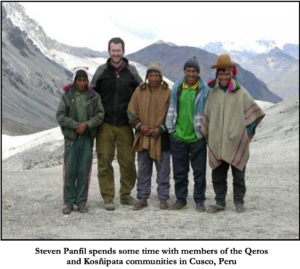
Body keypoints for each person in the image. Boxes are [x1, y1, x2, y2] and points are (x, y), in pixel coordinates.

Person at [201, 54, 265, 213]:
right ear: (217, 75)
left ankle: (239, 201)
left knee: (239, 175)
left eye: (226, 73)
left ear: (232, 73)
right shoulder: (213, 93)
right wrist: (211, 133)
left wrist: (244, 131)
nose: (223, 76)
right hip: (217, 140)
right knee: (218, 176)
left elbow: (254, 114)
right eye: (220, 74)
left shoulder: (241, 92)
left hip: (237, 141)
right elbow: (208, 117)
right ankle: (220, 202)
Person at [91, 38, 143, 211]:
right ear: (108, 51)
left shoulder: (132, 71)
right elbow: (91, 94)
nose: (115, 53)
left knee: (128, 161)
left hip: (125, 124)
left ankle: (126, 195)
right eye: (113, 50)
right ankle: (108, 197)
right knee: (104, 160)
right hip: (105, 124)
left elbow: (141, 93)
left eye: (118, 50)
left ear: (123, 51)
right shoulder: (101, 71)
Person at [57, 67, 104, 214]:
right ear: (75, 81)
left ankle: (81, 202)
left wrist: (87, 125)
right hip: (72, 138)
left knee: (84, 170)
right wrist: (75, 125)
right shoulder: (67, 96)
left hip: (87, 138)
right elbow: (60, 115)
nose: (82, 83)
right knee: (70, 170)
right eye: (79, 80)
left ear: (87, 81)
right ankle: (69, 202)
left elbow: (100, 115)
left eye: (84, 80)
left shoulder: (94, 96)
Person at [166, 57, 210, 211]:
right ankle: (181, 199)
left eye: (194, 71)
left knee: (199, 171)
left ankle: (199, 199)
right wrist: (171, 129)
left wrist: (204, 133)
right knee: (179, 171)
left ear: (198, 72)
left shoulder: (205, 90)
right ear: (184, 71)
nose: (191, 74)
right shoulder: (177, 87)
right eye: (188, 70)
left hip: (197, 137)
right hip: (178, 137)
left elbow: (208, 113)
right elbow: (172, 108)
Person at [127, 62, 171, 210]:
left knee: (163, 169)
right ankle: (142, 197)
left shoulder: (167, 93)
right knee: (144, 169)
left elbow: (172, 114)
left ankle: (163, 197)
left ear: (161, 76)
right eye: (150, 75)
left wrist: (161, 128)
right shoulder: (139, 91)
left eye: (156, 75)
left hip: (161, 137)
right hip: (143, 136)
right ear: (147, 76)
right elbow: (130, 112)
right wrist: (140, 126)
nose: (153, 78)